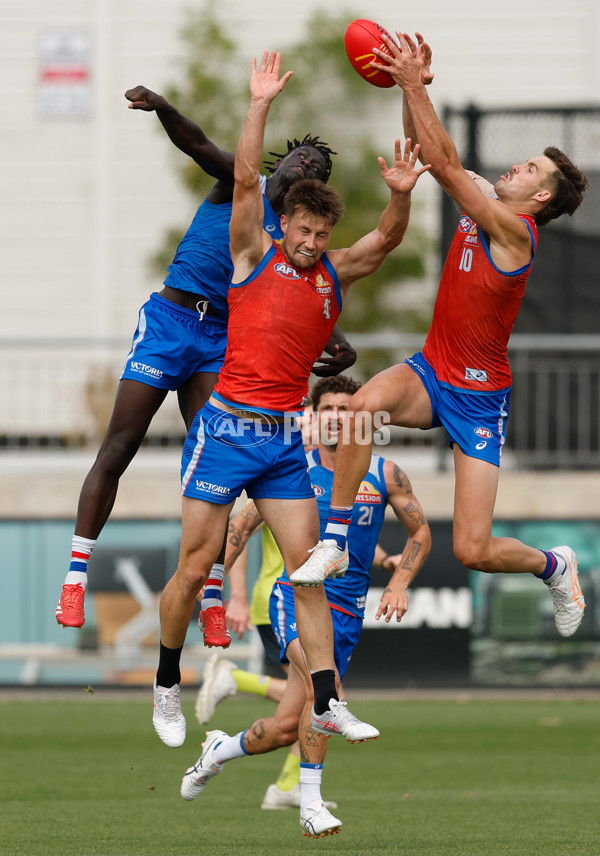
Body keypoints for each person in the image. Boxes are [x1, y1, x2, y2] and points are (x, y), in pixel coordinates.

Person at [151, 50, 430, 753]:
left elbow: (389, 239)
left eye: (319, 235)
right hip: (223, 432)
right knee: (194, 564)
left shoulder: (333, 273)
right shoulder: (253, 252)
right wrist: (259, 103)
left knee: (310, 569)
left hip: (280, 439)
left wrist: (400, 191)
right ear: (285, 225)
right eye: (301, 231)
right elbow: (245, 177)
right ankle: (164, 679)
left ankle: (328, 700)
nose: (309, 243)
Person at [295, 31, 589, 639]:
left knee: (473, 550)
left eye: (531, 167)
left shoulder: (515, 234)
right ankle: (336, 538)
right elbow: (433, 157)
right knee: (360, 411)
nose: (518, 164)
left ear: (539, 197)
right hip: (431, 373)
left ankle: (555, 565)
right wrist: (414, 90)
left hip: (478, 397)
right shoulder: (484, 195)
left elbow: (448, 164)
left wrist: (409, 82)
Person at [54, 84, 356, 633]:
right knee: (120, 444)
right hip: (170, 322)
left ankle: (212, 594)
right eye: (299, 155)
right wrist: (167, 108)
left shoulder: (291, 236)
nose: (304, 165)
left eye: (314, 167)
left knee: (221, 464)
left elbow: (303, 292)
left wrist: (336, 337)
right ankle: (75, 578)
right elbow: (195, 144)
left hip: (221, 337)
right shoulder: (242, 187)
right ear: (279, 159)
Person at [181, 374, 431, 836]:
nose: (337, 417)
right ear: (314, 418)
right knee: (327, 686)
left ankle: (217, 751)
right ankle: (311, 806)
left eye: (346, 409)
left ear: (362, 419)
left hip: (347, 614)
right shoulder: (291, 471)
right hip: (294, 596)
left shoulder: (386, 473)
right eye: (328, 409)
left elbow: (421, 532)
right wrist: (209, 583)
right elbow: (239, 528)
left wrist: (398, 580)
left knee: (281, 729)